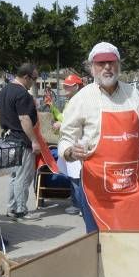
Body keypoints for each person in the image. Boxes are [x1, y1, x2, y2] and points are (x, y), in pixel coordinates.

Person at [59, 42, 139, 232]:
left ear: (119, 65)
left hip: (133, 187)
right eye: (101, 63)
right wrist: (71, 151)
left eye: (111, 62)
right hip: (98, 191)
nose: (107, 67)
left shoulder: (134, 95)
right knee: (99, 244)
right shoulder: (82, 99)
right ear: (92, 67)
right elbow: (65, 139)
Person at [0, 63, 43, 220]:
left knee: (14, 176)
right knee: (23, 177)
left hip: (8, 138)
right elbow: (24, 118)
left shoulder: (5, 89)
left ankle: (11, 208)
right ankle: (21, 210)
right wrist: (34, 141)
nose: (35, 82)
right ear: (26, 77)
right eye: (34, 78)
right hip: (21, 140)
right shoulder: (22, 94)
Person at [51, 74, 85, 216]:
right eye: (64, 85)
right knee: (73, 177)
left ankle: (81, 206)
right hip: (69, 144)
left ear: (76, 86)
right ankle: (77, 204)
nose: (65, 88)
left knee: (77, 178)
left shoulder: (80, 101)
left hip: (76, 144)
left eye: (68, 85)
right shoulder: (71, 101)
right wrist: (52, 108)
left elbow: (76, 122)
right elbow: (64, 118)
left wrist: (61, 124)